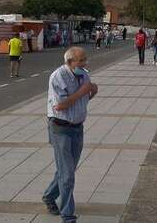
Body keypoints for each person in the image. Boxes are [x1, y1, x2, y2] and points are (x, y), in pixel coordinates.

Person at [42, 46, 98, 222]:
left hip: (77, 128)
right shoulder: (58, 76)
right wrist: (82, 92)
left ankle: (49, 196)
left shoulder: (84, 74)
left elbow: (81, 101)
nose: (84, 62)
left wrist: (92, 93)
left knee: (67, 170)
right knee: (67, 175)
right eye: (80, 60)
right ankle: (68, 216)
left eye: (85, 59)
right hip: (61, 128)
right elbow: (60, 105)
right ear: (69, 62)